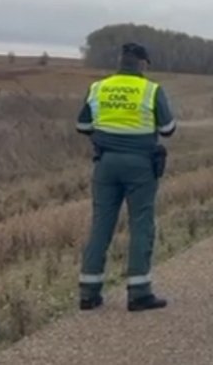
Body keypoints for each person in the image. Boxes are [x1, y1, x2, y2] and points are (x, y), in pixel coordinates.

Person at [75, 42, 177, 311]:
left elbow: (82, 125)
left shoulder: (98, 87)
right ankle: (139, 292)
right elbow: (168, 128)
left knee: (100, 225)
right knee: (141, 223)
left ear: (120, 61)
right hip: (141, 165)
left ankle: (88, 292)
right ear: (143, 64)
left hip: (105, 163)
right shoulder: (151, 90)